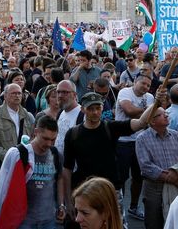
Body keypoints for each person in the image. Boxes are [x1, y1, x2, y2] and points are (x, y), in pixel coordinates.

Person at [63, 92, 153, 224]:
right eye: (90, 109)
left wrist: (155, 102)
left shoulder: (111, 127)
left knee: (115, 224)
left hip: (111, 191)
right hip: (86, 192)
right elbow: (67, 169)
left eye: (98, 108)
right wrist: (68, 201)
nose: (95, 112)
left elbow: (141, 122)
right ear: (82, 109)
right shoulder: (73, 134)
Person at [0, 115, 65, 229]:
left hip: (49, 220)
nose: (49, 144)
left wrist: (61, 205)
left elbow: (59, 178)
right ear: (36, 132)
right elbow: (5, 188)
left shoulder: (56, 154)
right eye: (45, 138)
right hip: (25, 221)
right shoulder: (20, 154)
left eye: (53, 139)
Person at [135, 106, 178, 229]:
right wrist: (173, 178)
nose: (166, 115)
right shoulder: (142, 139)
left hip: (175, 187)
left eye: (166, 113)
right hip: (154, 188)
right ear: (152, 121)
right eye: (161, 114)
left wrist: (177, 175)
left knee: (176, 221)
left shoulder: (176, 135)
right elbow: (146, 166)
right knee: (154, 222)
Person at [114, 72, 154, 220]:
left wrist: (149, 112)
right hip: (123, 141)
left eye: (148, 85)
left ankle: (133, 207)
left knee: (138, 177)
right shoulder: (125, 92)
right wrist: (148, 111)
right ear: (135, 81)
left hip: (141, 142)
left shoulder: (149, 97)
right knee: (121, 178)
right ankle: (118, 209)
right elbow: (129, 111)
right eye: (143, 83)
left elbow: (151, 117)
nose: (146, 87)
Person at [0, 83, 35, 164]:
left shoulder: (28, 116)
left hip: (25, 163)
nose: (17, 96)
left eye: (19, 93)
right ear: (5, 96)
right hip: (4, 163)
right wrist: (8, 156)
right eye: (13, 93)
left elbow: (33, 139)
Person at [55, 80, 83, 155]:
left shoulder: (82, 114)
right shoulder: (60, 112)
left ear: (74, 95)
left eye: (65, 92)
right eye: (58, 92)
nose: (60, 95)